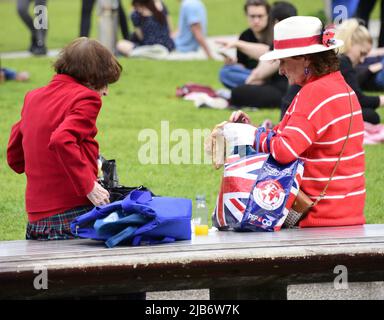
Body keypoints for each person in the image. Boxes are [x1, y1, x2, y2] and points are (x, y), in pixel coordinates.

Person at [230, 16, 366, 227]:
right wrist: (254, 130)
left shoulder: (314, 93)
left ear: (306, 58)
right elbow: (288, 135)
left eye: (284, 61)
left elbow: (284, 150)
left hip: (317, 218)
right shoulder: (339, 87)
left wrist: (249, 136)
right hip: (346, 212)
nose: (281, 70)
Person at [7, 38, 122, 240]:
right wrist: (89, 185)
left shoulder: (33, 97)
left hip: (36, 221)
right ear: (90, 77)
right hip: (71, 216)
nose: (105, 91)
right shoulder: (86, 98)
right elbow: (62, 140)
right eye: (103, 82)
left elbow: (15, 159)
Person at [282, 19, 383, 124]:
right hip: (299, 114)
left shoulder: (335, 61)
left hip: (291, 110)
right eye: (362, 53)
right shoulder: (342, 63)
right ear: (351, 43)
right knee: (371, 115)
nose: (362, 60)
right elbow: (358, 100)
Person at [218, 0, 273, 89]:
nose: (256, 20)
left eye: (260, 16)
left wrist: (238, 44)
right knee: (225, 72)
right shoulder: (245, 35)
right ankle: (254, 85)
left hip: (271, 75)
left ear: (268, 15)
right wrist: (233, 63)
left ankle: (253, 86)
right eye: (252, 16)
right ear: (246, 16)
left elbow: (270, 53)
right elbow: (242, 65)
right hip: (250, 75)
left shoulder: (274, 33)